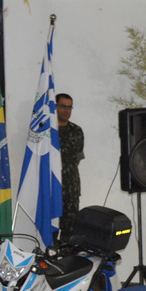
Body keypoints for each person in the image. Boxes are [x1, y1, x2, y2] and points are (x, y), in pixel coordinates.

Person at [56, 93, 84, 239]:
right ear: (55, 107)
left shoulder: (76, 131)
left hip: (71, 188)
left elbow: (77, 160)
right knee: (51, 226)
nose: (66, 111)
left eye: (69, 107)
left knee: (70, 227)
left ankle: (66, 258)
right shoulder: (48, 131)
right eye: (62, 106)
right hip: (52, 186)